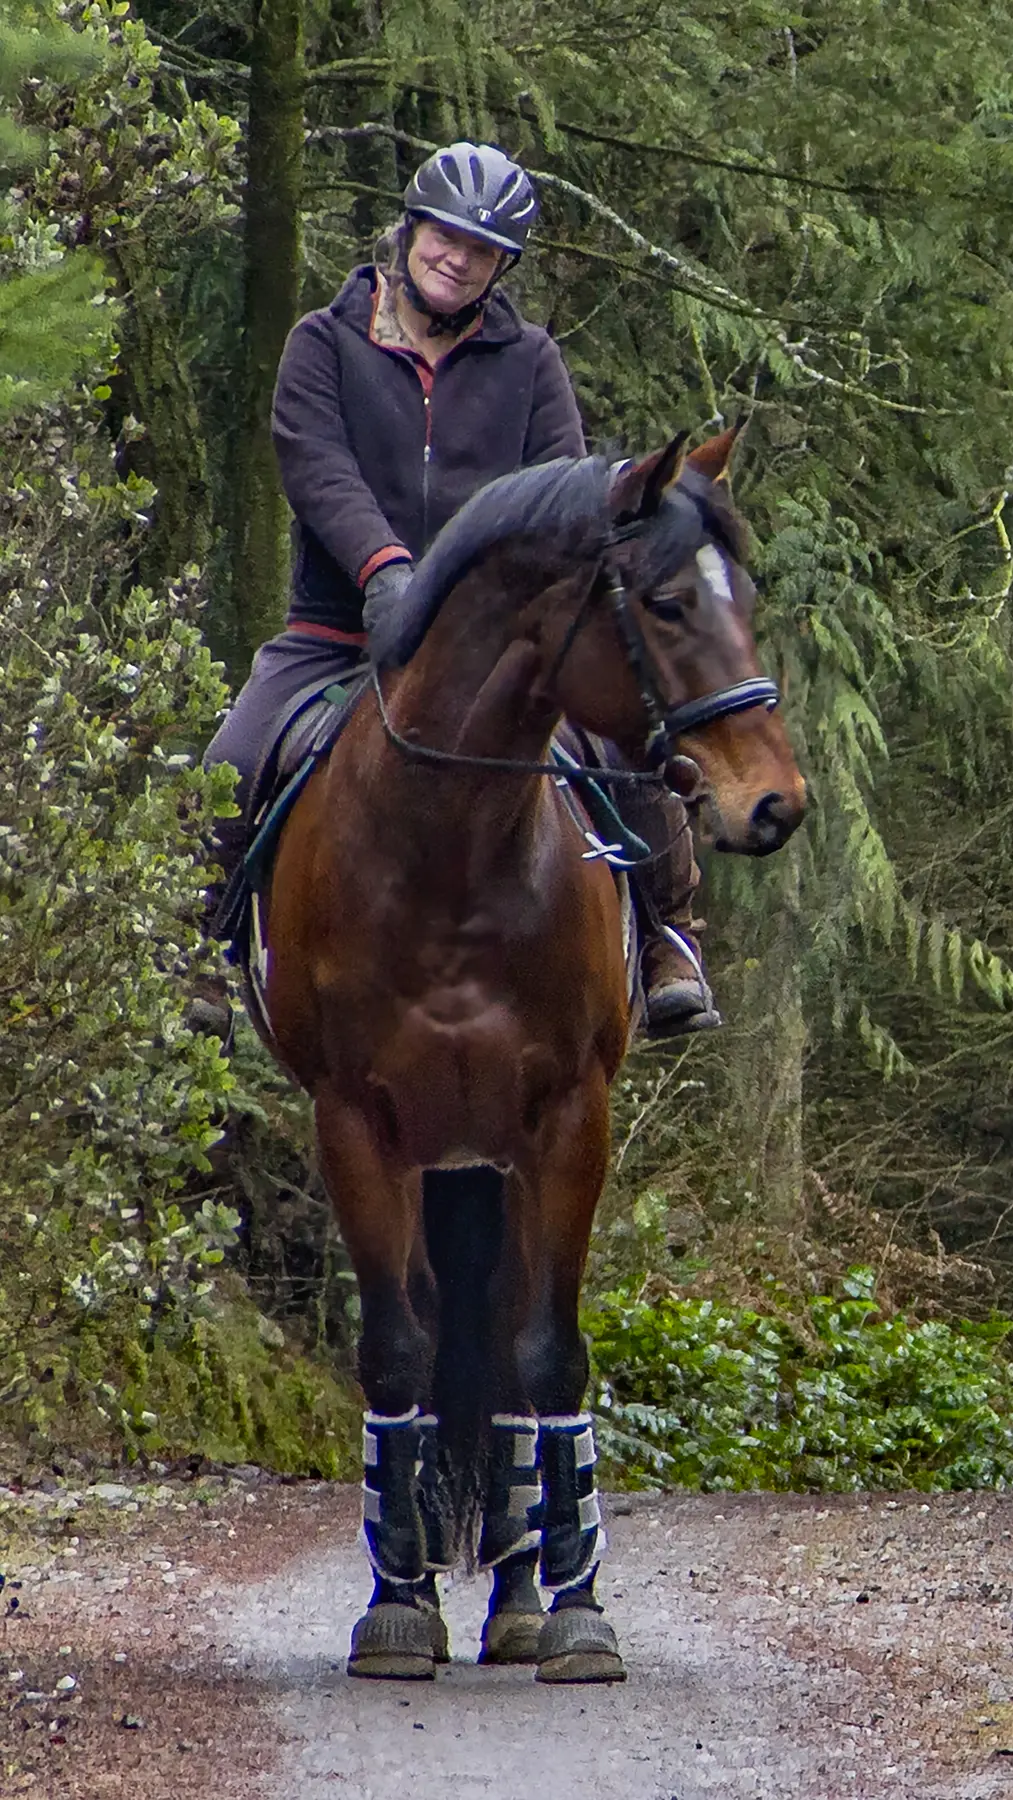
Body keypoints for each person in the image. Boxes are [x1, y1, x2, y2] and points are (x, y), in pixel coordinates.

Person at [204, 141, 718, 1036]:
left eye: (479, 250)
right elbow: (317, 469)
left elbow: (556, 490)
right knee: (231, 763)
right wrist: (385, 572)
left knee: (622, 744)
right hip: (338, 633)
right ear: (409, 233)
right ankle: (198, 953)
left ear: (499, 267)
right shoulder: (322, 344)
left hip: (493, 646)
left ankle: (669, 933)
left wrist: (481, 600)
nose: (456, 257)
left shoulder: (532, 363)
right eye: (445, 236)